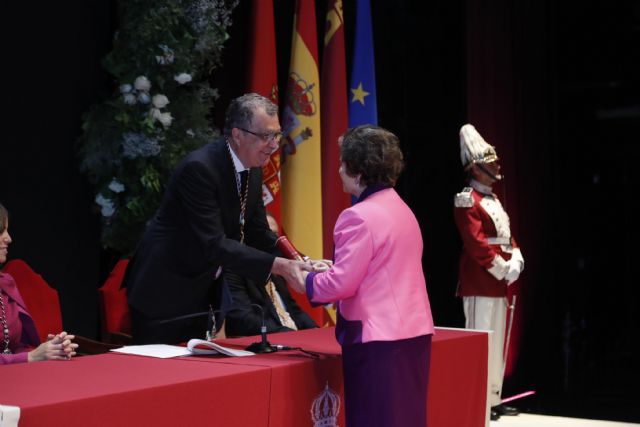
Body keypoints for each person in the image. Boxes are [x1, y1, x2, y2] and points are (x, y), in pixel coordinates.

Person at [123, 93, 312, 345]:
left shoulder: (253, 169)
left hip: (200, 294)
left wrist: (298, 260)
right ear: (237, 134)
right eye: (265, 136)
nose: (274, 144)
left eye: (276, 135)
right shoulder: (200, 169)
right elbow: (214, 244)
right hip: (164, 292)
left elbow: (257, 233)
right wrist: (280, 267)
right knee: (160, 378)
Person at [291, 125, 435, 427]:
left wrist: (303, 280)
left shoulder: (357, 216)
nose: (339, 169)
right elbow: (383, 270)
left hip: (378, 339)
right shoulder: (403, 208)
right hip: (413, 333)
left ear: (358, 170)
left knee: (374, 419)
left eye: (343, 162)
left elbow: (341, 284)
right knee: (407, 419)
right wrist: (332, 268)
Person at [453, 124, 524, 421]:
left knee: (498, 343)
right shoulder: (466, 199)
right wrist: (502, 268)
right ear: (476, 169)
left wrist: (517, 258)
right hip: (481, 280)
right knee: (482, 340)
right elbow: (476, 244)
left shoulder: (492, 199)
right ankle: (478, 400)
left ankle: (494, 398)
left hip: (500, 281)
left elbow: (506, 236)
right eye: (489, 164)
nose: (495, 168)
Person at [0, 203, 78, 364]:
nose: (8, 238)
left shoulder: (5, 283)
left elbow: (16, 346)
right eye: (1, 231)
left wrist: (51, 349)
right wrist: (30, 357)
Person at [225, 212, 318, 336]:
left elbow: (294, 311)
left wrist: (316, 331)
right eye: (266, 235)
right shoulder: (234, 270)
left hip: (292, 339)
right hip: (263, 345)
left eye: (274, 235)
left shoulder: (279, 267)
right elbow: (243, 319)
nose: (271, 241)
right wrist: (289, 334)